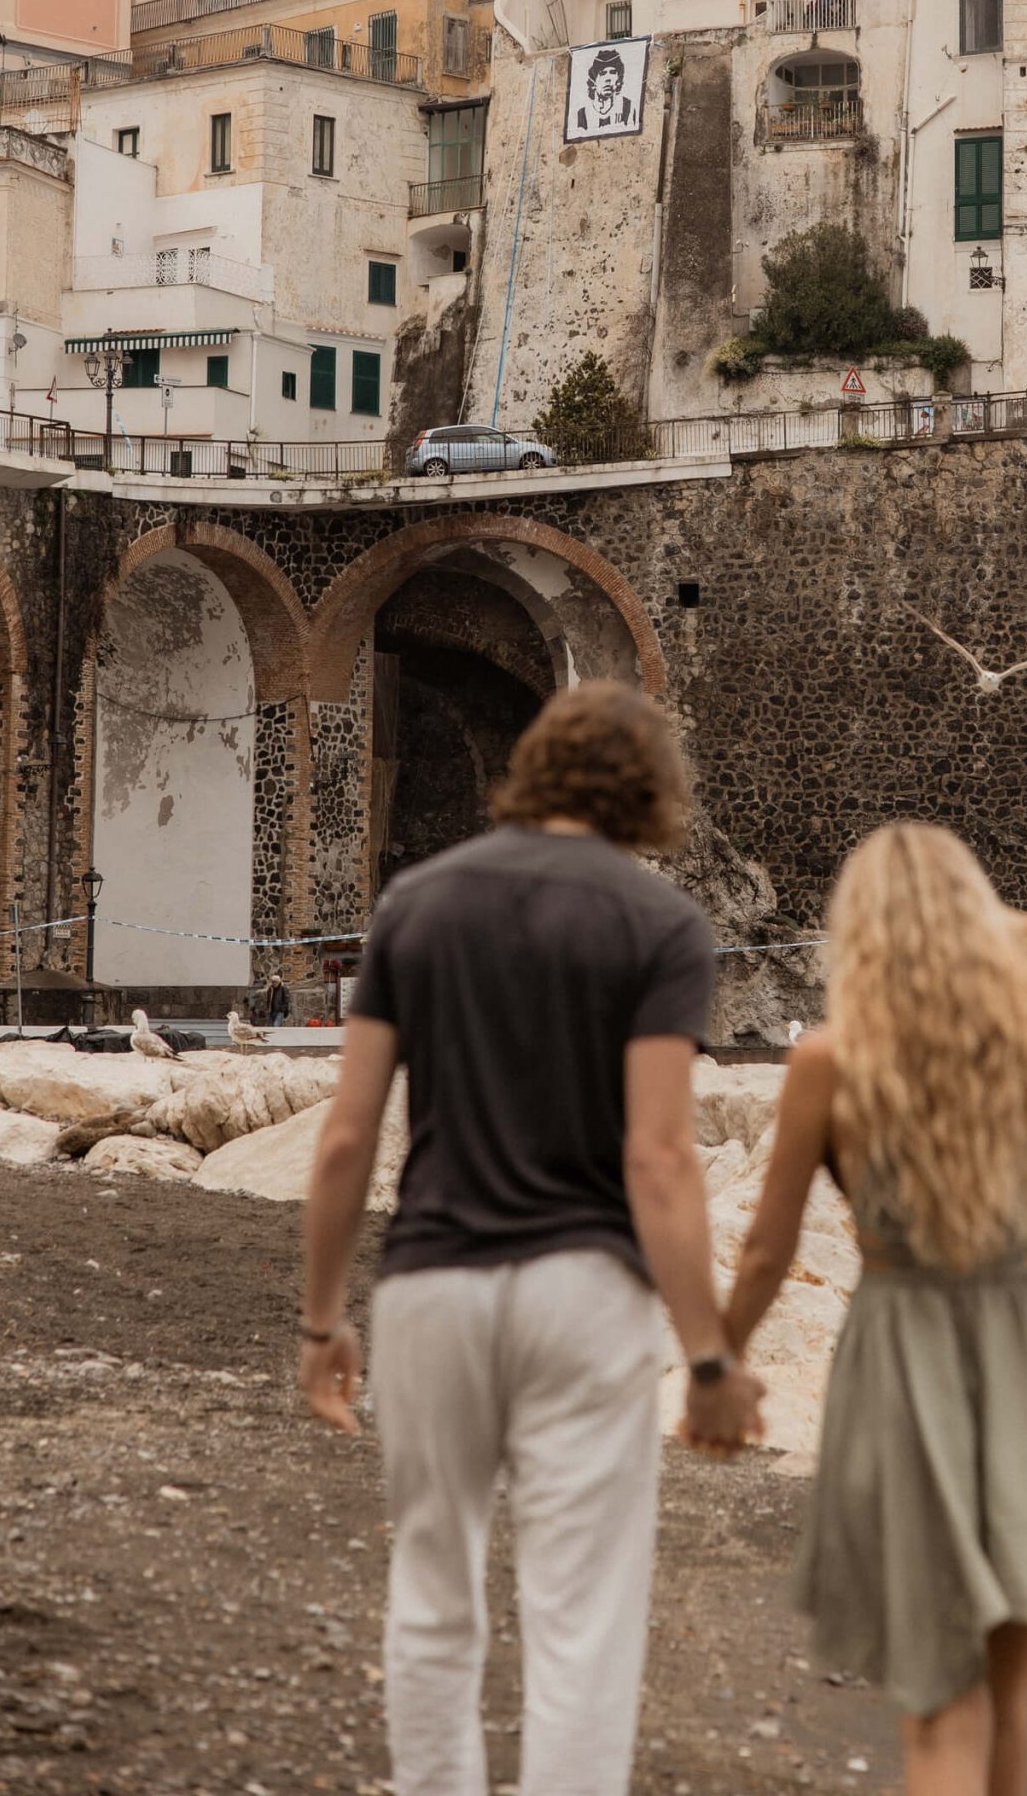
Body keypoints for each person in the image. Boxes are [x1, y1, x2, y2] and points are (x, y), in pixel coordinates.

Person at [297, 681, 763, 1796]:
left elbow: (348, 1133)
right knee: (580, 1611)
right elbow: (658, 1159)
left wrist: (321, 1317)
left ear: (533, 769)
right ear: (651, 793)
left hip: (432, 1287)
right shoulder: (659, 925)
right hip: (582, 1292)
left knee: (434, 1582)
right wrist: (708, 1356)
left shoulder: (417, 900)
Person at [723, 826, 1027, 1796]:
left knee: (938, 1709)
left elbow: (768, 1249)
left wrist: (719, 1359)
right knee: (1007, 1706)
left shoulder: (829, 1060)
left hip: (901, 1355)